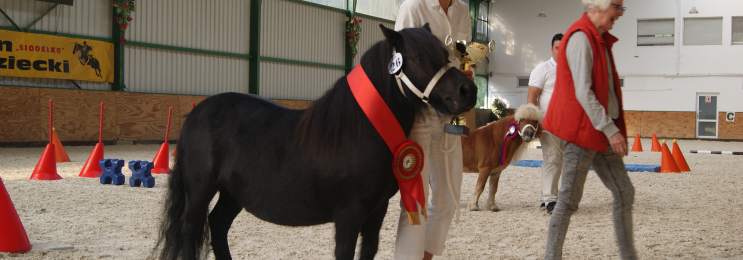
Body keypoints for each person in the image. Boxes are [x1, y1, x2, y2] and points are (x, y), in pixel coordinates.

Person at [541, 0, 637, 259]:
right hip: (583, 132)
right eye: (616, 6)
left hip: (601, 130)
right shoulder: (582, 38)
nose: (620, 12)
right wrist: (611, 130)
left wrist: (613, 128)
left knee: (624, 192)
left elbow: (606, 90)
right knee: (568, 201)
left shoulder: (599, 37)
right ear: (598, 5)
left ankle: (629, 256)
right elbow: (584, 92)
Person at [393, 0, 472, 259]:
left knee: (449, 197)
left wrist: (466, 73)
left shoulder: (462, 10)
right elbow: (398, 65)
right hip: (419, 114)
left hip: (449, 113)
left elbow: (463, 58)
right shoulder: (413, 8)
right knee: (415, 201)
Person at [527, 33, 564, 215]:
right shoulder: (543, 68)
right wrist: (535, 123)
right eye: (558, 47)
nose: (561, 51)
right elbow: (532, 96)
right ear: (552, 49)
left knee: (565, 161)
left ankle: (546, 197)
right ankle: (550, 200)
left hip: (570, 125)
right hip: (549, 123)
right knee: (552, 159)